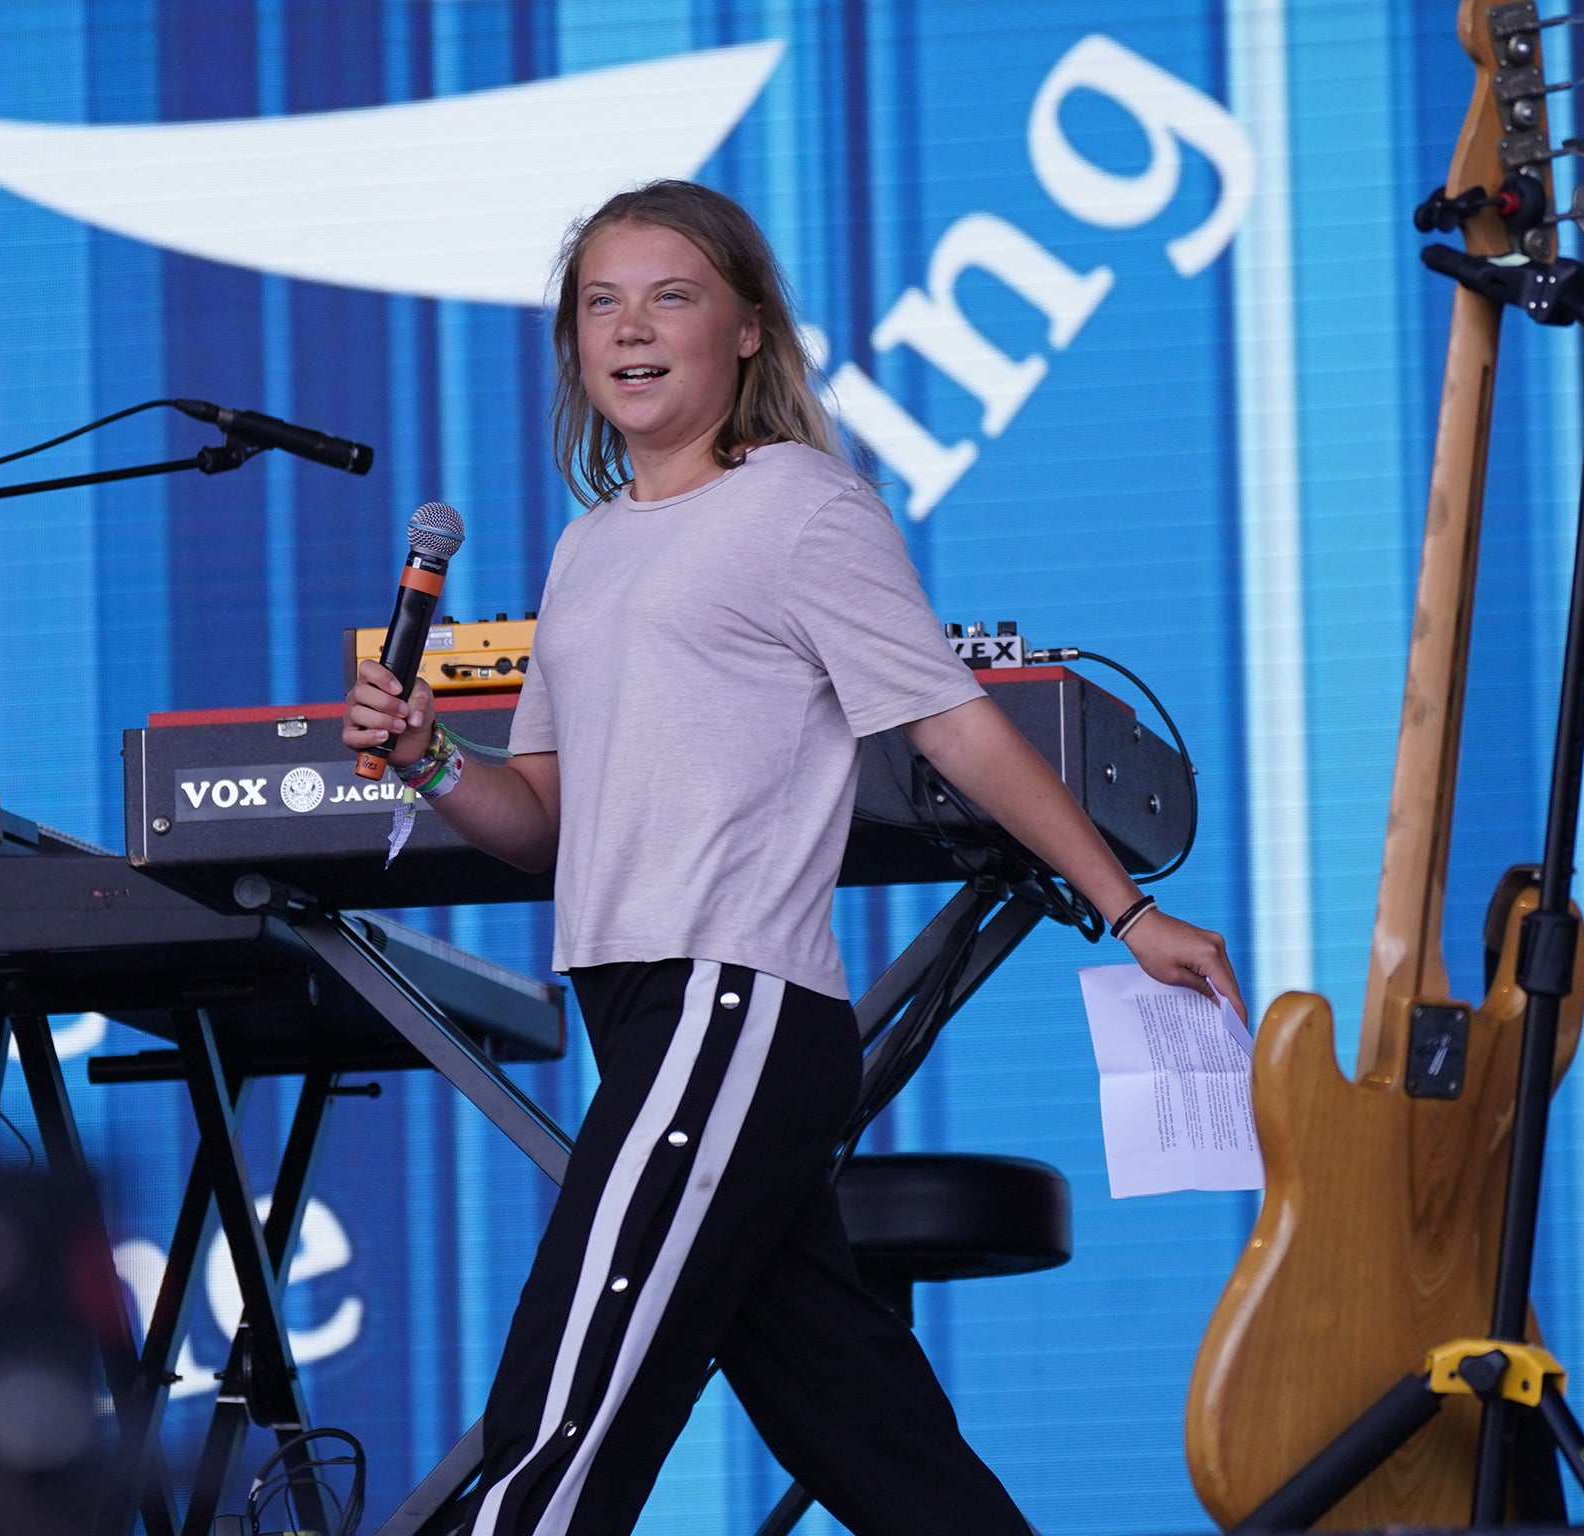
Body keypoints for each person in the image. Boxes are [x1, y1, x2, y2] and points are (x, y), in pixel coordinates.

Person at [344, 179, 1245, 1536]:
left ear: (750, 330)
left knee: (565, 1414)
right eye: (602, 302)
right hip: (639, 1004)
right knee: (865, 1429)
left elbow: (957, 724)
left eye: (672, 296)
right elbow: (540, 815)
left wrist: (1127, 911)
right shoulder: (590, 550)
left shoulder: (800, 507)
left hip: (734, 1001)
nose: (630, 330)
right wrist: (425, 759)